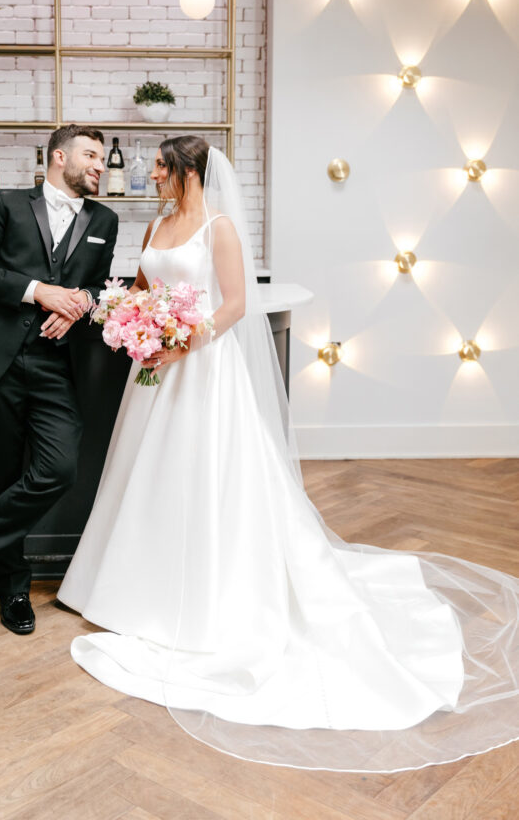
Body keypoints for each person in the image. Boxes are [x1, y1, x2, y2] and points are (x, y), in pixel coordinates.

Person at [57, 134, 519, 773]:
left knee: (203, 476)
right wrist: (133, 320)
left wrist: (181, 343)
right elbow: (143, 284)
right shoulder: (159, 223)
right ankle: (131, 586)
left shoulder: (218, 228)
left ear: (188, 171)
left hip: (202, 372)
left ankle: (202, 589)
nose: (152, 176)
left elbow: (237, 304)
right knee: (146, 475)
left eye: (161, 167)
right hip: (153, 375)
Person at [0, 125, 118, 635]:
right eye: (91, 155)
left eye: (102, 158)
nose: (100, 165)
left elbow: (97, 286)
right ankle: (12, 589)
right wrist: (40, 291)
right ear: (59, 157)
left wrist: (80, 302)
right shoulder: (6, 204)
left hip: (56, 364)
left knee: (58, 467)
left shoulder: (106, 219)